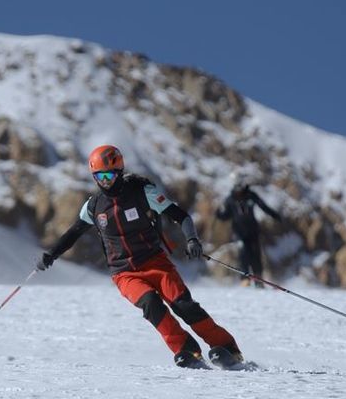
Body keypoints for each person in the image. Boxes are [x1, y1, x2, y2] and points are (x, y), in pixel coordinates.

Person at [35, 144, 244, 369]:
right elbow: (73, 233)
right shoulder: (94, 206)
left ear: (119, 171)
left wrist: (192, 239)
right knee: (151, 304)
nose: (104, 182)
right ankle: (186, 349)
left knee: (184, 305)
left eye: (108, 176)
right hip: (124, 273)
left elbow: (181, 216)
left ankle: (227, 347)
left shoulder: (142, 192)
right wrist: (51, 255)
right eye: (99, 177)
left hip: (156, 263)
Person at [216, 178, 281, 287]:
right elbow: (226, 215)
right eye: (237, 186)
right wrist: (219, 214)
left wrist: (274, 215)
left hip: (253, 230)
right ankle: (245, 279)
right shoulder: (231, 199)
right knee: (243, 254)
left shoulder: (250, 195)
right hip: (239, 232)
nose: (239, 189)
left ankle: (258, 280)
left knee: (256, 255)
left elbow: (263, 206)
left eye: (240, 186)